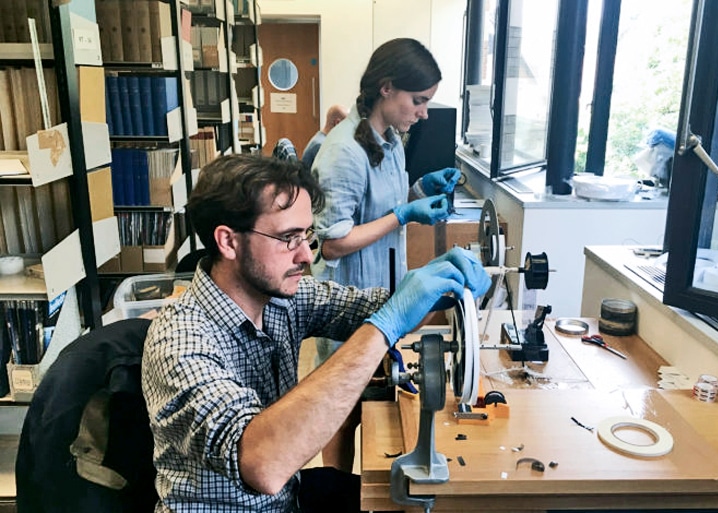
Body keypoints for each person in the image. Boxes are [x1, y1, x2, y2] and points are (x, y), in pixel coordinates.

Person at [141, 154, 490, 513]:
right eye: (288, 238)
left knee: (416, 501)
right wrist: (385, 325)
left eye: (306, 235)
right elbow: (263, 464)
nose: (307, 256)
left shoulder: (282, 298)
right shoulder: (179, 339)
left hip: (285, 501)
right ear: (228, 242)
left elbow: (381, 308)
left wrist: (440, 287)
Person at [310, 37, 462, 471]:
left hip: (380, 293)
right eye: (418, 100)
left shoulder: (390, 137)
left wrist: (420, 190)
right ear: (387, 88)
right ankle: (334, 492)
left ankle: (367, 490)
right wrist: (402, 213)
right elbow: (333, 241)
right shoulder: (344, 151)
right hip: (346, 299)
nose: (424, 113)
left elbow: (383, 207)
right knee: (343, 411)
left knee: (374, 398)